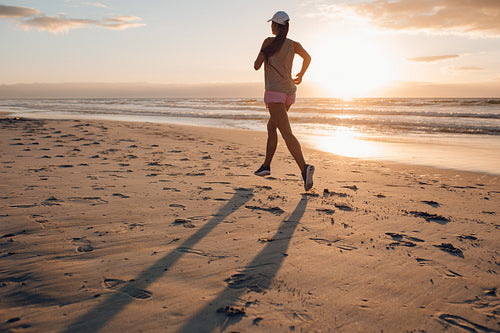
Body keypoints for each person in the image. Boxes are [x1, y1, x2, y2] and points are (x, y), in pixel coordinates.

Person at [253, 10, 314, 191]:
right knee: (272, 127)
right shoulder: (293, 44)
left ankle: (305, 168)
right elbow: (308, 58)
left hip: (275, 93)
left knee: (286, 133)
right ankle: (266, 166)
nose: (270, 26)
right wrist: (301, 75)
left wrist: (264, 56)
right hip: (289, 93)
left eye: (272, 23)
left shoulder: (268, 42)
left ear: (275, 26)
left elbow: (256, 66)